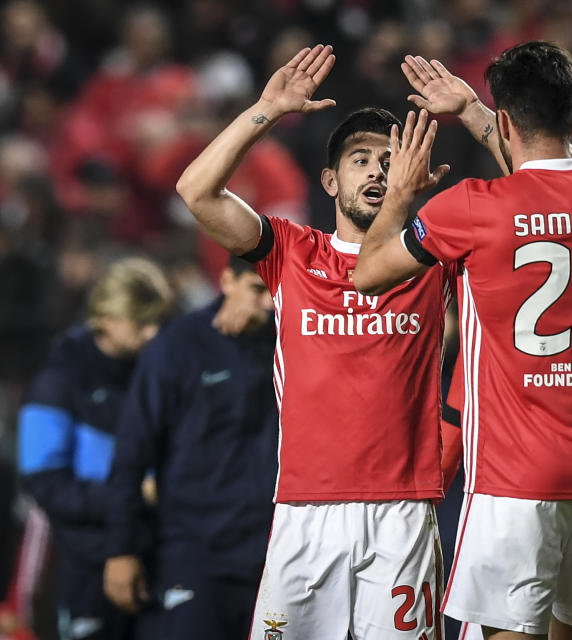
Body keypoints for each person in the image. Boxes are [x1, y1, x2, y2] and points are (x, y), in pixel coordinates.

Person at [354, 41, 572, 639]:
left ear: (507, 121)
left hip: (514, 481)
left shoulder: (469, 207)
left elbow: (369, 272)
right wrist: (476, 114)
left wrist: (401, 194)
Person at [175, 44, 455, 639]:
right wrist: (267, 111)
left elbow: (535, 189)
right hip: (304, 509)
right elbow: (197, 191)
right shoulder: (292, 251)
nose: (377, 170)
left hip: (402, 510)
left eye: (390, 159)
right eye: (361, 159)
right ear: (330, 180)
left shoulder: (435, 260)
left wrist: (475, 112)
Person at [100, 256, 277, 640]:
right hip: (195, 554)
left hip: (278, 557)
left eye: (275, 291)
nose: (267, 303)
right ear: (227, 281)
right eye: (256, 290)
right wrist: (121, 550)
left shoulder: (297, 344)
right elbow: (131, 455)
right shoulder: (177, 347)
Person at [17, 257, 174, 640]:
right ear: (104, 317)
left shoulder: (158, 371)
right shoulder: (59, 380)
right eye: (140, 322)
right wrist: (131, 497)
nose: (152, 333)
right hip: (84, 559)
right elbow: (44, 483)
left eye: (158, 321)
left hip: (159, 550)